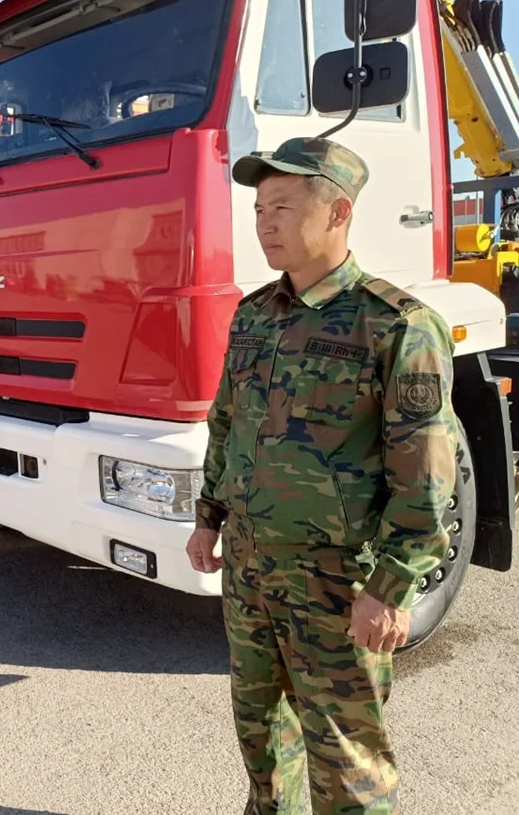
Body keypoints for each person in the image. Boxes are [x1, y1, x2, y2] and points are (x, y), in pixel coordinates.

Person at [186, 137, 457, 815]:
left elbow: (425, 470)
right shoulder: (253, 316)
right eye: (257, 208)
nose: (264, 222)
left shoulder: (395, 324)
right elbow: (228, 423)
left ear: (338, 212)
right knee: (260, 732)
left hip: (337, 580)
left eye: (281, 205)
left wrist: (392, 585)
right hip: (250, 569)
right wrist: (208, 517)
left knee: (344, 753)